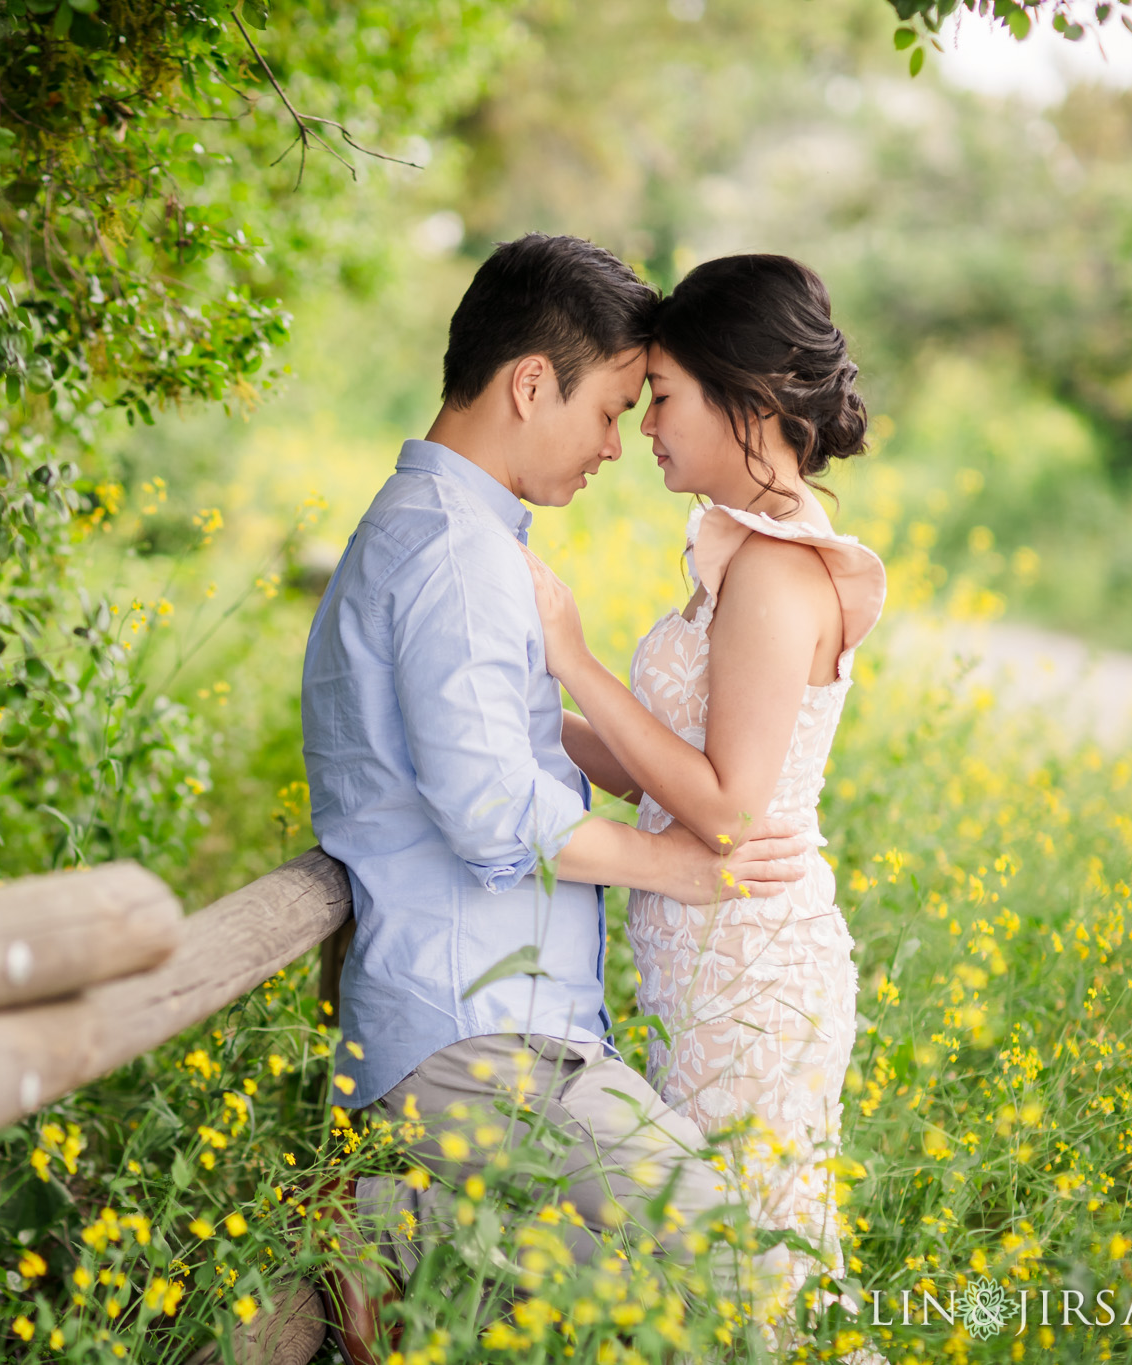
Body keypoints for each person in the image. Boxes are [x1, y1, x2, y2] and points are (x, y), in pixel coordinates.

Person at [299, 234, 811, 1362]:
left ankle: (420, 1257)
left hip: (496, 1030)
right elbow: (491, 817)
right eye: (611, 408)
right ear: (530, 383)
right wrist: (686, 866)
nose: (617, 447)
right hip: (478, 1039)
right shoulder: (452, 555)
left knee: (679, 1290)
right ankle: (402, 1252)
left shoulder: (444, 537)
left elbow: (488, 754)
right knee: (747, 1267)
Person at [521, 253, 886, 1335]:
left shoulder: (776, 573)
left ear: (750, 400)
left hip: (751, 976)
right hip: (704, 962)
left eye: (664, 398)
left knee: (756, 1276)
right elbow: (654, 770)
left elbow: (722, 806)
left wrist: (573, 658)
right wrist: (526, 712)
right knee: (728, 1273)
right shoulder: (738, 555)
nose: (642, 426)